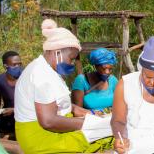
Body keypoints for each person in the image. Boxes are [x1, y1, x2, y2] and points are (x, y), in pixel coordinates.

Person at [14, 19, 113, 153]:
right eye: (71, 59)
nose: (72, 64)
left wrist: (89, 113)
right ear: (58, 52)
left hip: (52, 131)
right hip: (42, 139)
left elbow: (60, 104)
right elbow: (48, 121)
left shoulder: (49, 71)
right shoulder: (41, 75)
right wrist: (88, 123)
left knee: (108, 128)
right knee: (109, 131)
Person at [72, 48, 118, 114]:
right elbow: (76, 111)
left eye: (110, 69)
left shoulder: (112, 80)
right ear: (96, 66)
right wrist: (93, 114)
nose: (107, 72)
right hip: (89, 121)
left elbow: (120, 104)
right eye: (103, 68)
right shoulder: (81, 80)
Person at [0, 51, 22, 138]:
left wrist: (14, 110)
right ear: (5, 66)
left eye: (19, 64)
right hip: (7, 120)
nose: (18, 67)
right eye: (14, 65)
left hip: (25, 118)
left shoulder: (26, 77)